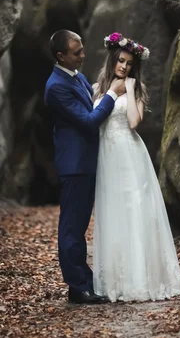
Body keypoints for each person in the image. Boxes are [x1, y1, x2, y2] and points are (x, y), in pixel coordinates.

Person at [92, 32, 180, 302]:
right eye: (121, 61)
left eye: (129, 64)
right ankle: (117, 279)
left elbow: (134, 123)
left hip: (130, 155)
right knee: (113, 212)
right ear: (112, 58)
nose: (123, 67)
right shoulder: (97, 89)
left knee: (134, 210)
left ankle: (140, 279)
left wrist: (132, 89)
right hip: (108, 157)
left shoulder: (136, 89)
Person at [44, 30, 126, 304]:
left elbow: (87, 101)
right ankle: (78, 286)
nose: (83, 55)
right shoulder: (56, 87)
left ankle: (83, 282)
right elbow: (89, 121)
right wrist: (112, 96)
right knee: (72, 229)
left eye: (81, 49)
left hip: (87, 162)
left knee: (78, 226)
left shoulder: (74, 76)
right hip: (75, 165)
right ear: (61, 56)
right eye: (76, 52)